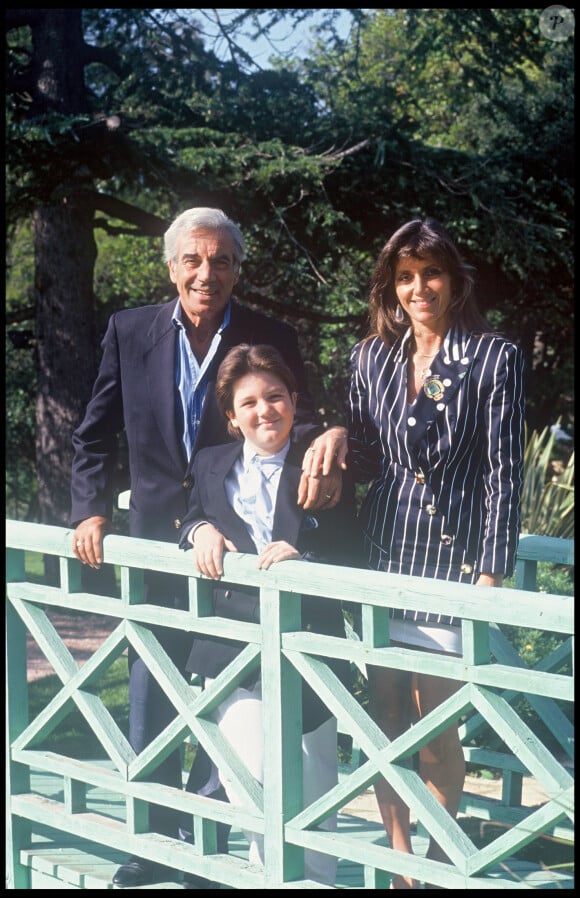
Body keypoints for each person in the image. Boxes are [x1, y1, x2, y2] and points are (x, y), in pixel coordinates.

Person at [69, 206, 348, 888]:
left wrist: (336, 435)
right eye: (193, 260)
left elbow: (292, 419)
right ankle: (154, 842)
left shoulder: (268, 334)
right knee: (152, 685)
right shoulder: (129, 331)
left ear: (237, 269)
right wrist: (89, 510)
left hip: (244, 551)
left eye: (222, 260)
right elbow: (93, 432)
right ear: (170, 267)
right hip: (158, 545)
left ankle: (209, 829)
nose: (207, 273)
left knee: (240, 690)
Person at [347, 218, 525, 889]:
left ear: (452, 279)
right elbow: (365, 453)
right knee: (387, 717)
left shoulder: (492, 357)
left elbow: (506, 470)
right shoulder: (371, 358)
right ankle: (401, 869)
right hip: (383, 553)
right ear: (390, 287)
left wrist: (491, 570)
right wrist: (332, 438)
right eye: (405, 277)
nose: (419, 288)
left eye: (431, 273)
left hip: (451, 562)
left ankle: (441, 861)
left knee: (437, 724)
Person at [178, 343, 359, 886]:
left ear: (294, 401)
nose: (266, 411)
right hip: (233, 644)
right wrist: (199, 531)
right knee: (247, 772)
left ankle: (319, 880)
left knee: (313, 773)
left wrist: (308, 558)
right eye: (250, 402)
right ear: (232, 418)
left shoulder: (321, 461)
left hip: (309, 641)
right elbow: (187, 517)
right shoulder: (210, 462)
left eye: (275, 397)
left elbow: (353, 545)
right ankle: (269, 876)